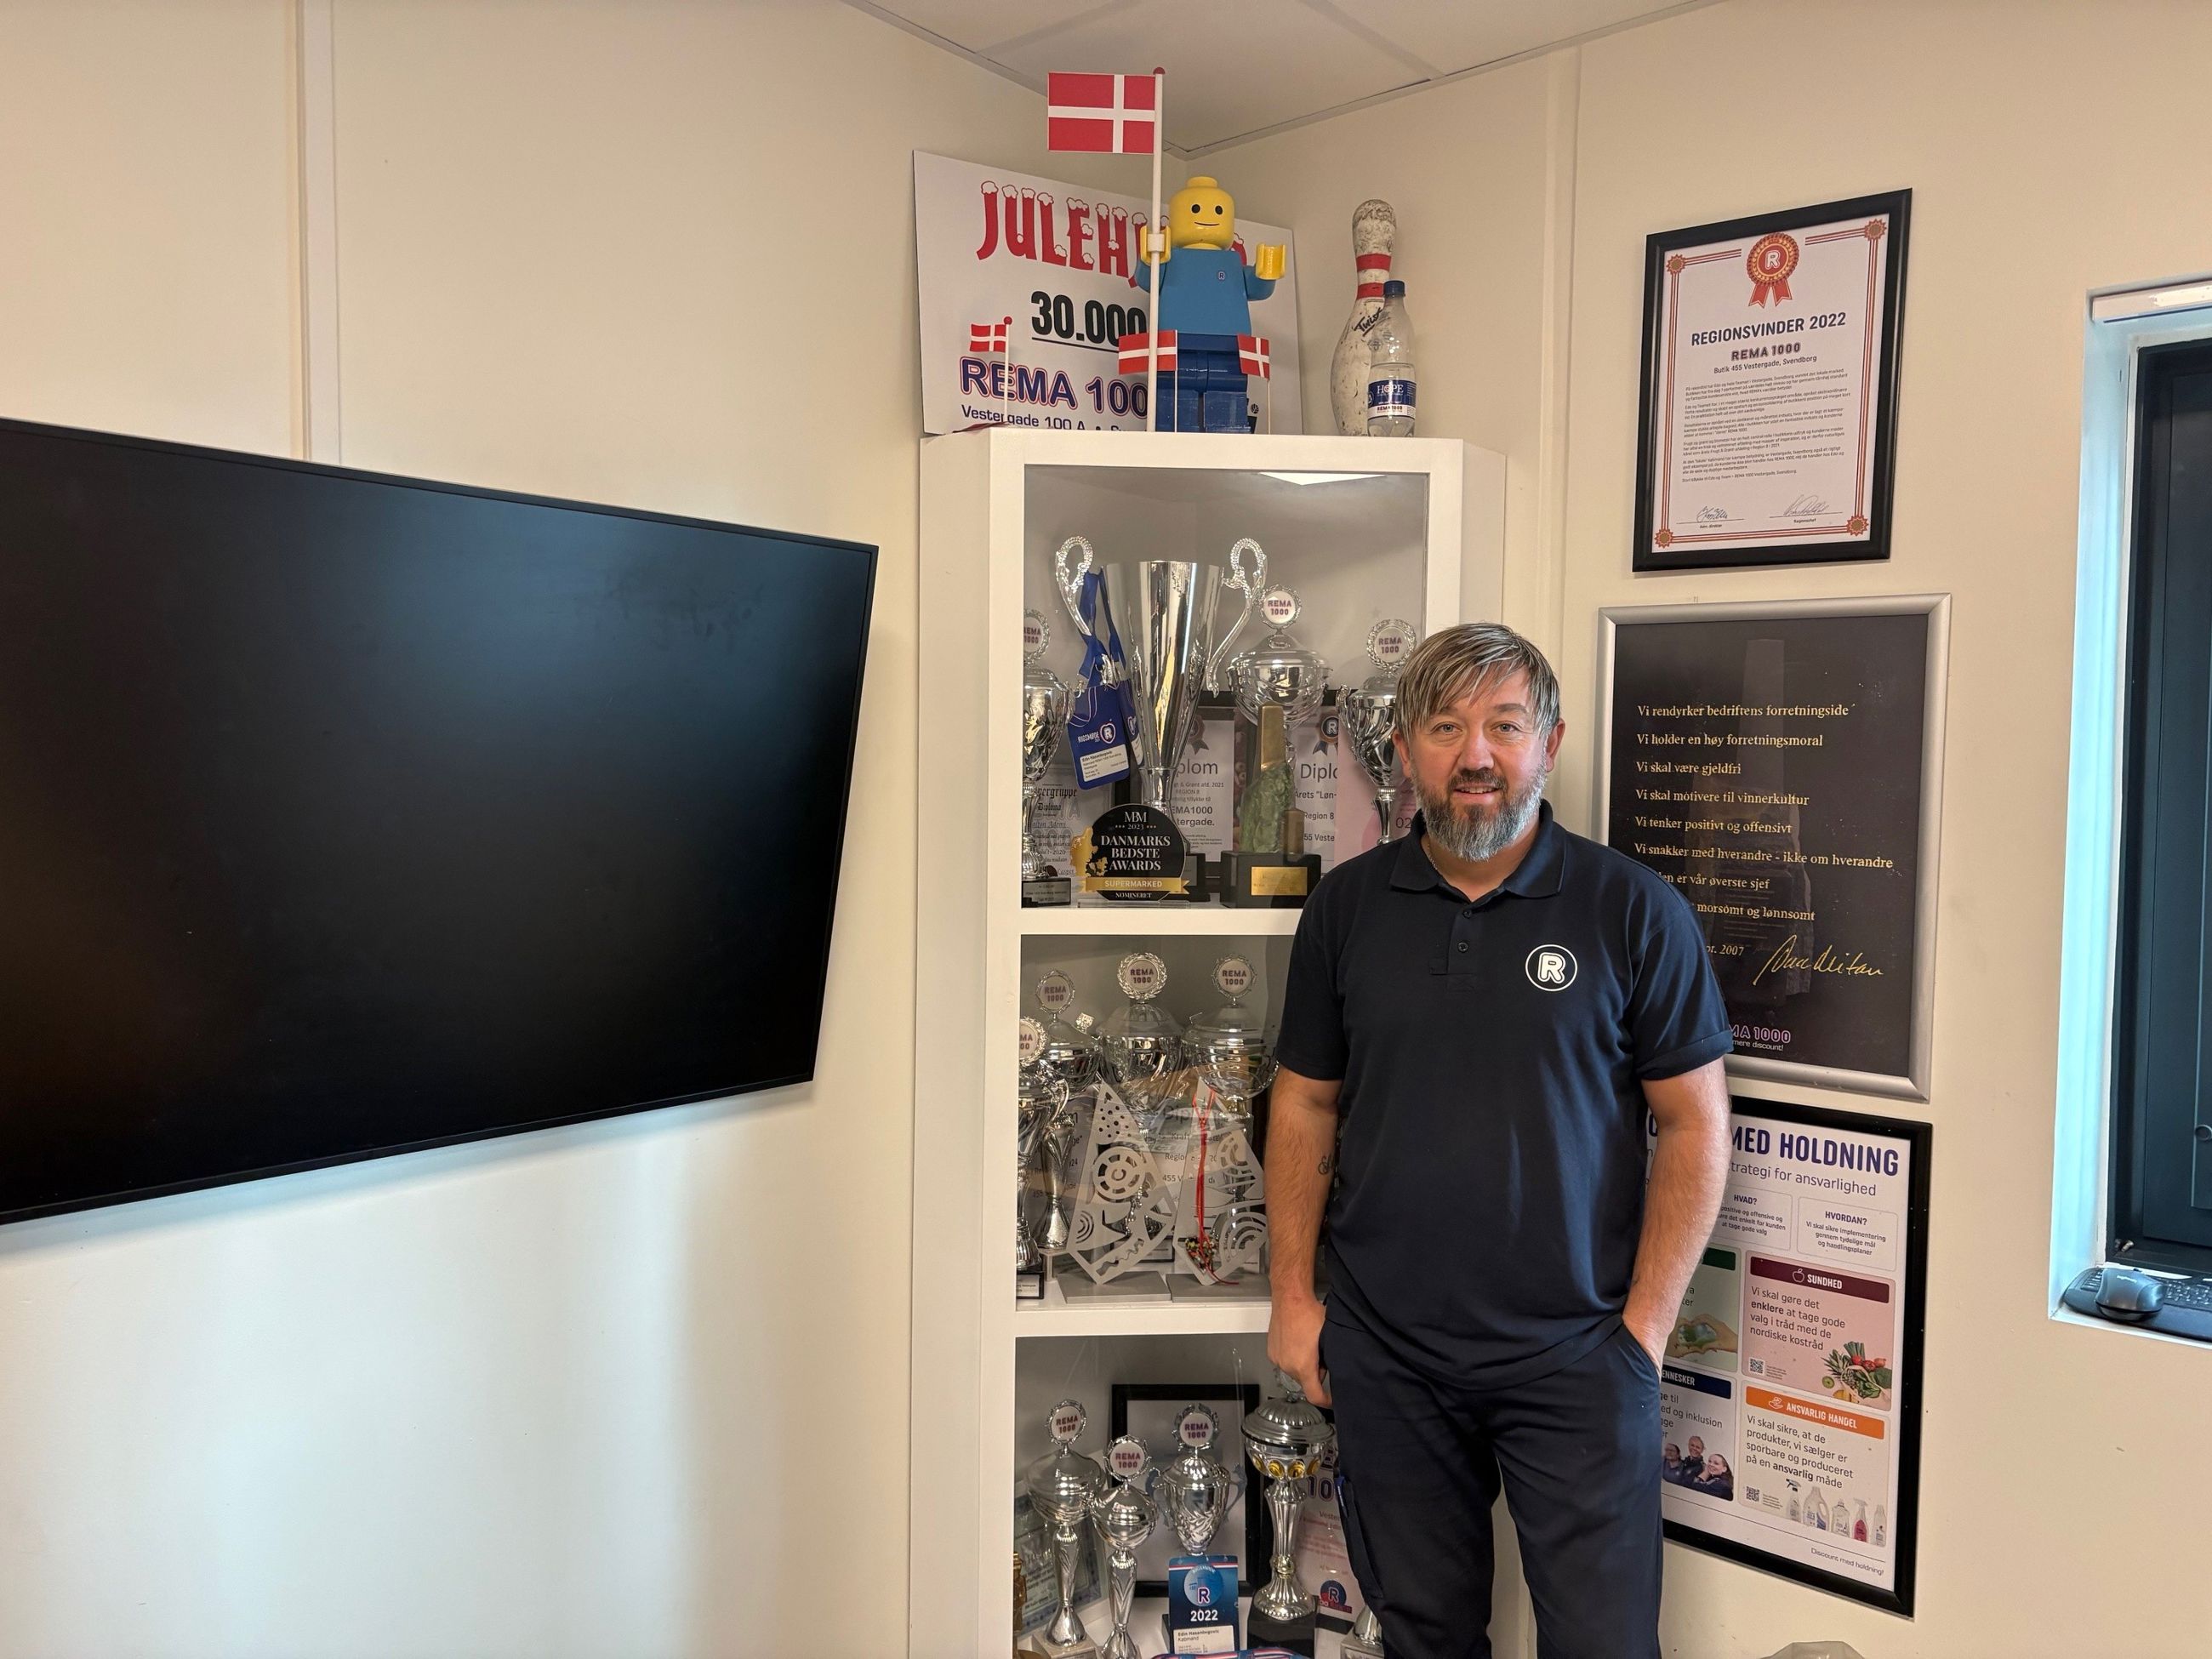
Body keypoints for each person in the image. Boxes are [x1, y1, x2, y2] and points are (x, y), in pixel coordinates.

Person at [1265, 622, 1733, 1659]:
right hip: (1389, 1357)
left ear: (1548, 744)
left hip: (1580, 1355)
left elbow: (1693, 1123)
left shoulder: (1632, 910)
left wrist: (1643, 1334)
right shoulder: (1344, 911)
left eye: (1504, 726)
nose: (1475, 755)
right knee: (1423, 1638)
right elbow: (1303, 1106)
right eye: (1444, 728)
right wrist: (1292, 1298)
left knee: (1605, 1646)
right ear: (1402, 750)